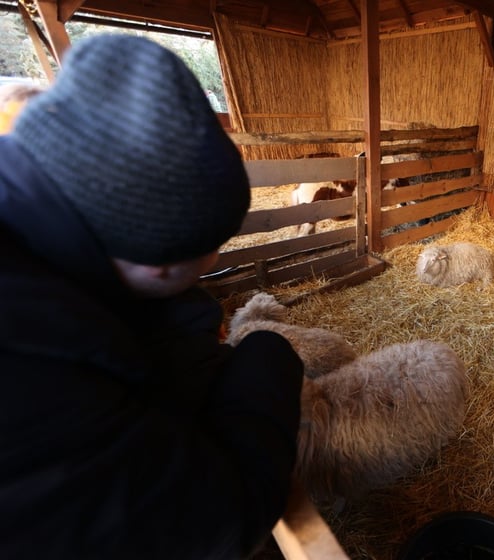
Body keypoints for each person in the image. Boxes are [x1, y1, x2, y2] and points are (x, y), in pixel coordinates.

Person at [0, 34, 304, 559]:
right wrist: (268, 354)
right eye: (214, 247)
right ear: (163, 265)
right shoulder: (32, 380)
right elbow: (221, 520)